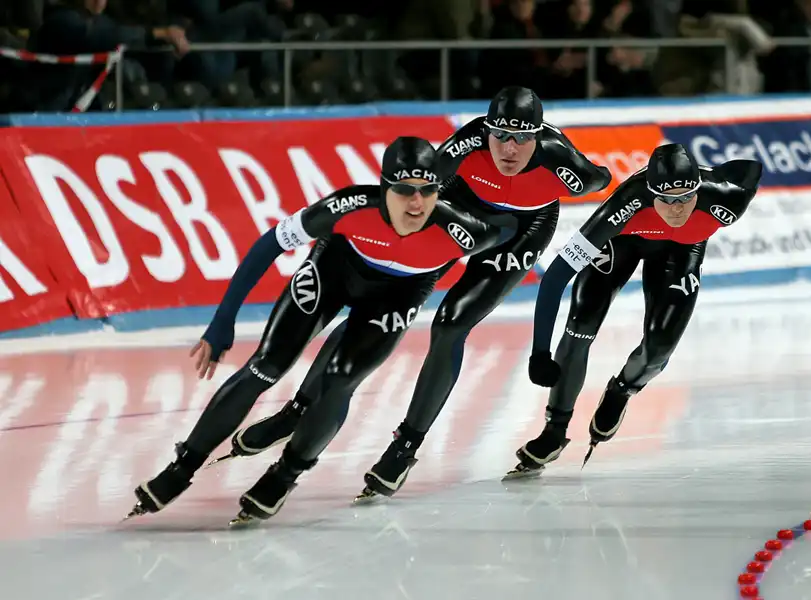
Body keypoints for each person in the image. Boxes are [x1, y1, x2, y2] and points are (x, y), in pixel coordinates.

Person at [208, 85, 614, 502]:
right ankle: (296, 411)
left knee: (452, 324)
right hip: (460, 209)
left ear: (538, 136)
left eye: (523, 138)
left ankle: (406, 446)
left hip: (520, 231)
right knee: (378, 303)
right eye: (501, 136)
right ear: (487, 130)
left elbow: (602, 178)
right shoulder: (467, 143)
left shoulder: (563, 163)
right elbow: (408, 187)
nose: (510, 150)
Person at [124, 137, 516, 524]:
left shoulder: (465, 231)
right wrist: (222, 320)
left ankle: (285, 475)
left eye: (428, 191)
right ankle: (182, 467)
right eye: (404, 191)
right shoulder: (345, 208)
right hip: (333, 272)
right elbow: (267, 246)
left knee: (340, 379)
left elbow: (516, 228)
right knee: (267, 365)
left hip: (398, 294)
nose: (417, 203)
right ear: (383, 188)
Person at [504, 143, 763, 477]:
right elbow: (555, 278)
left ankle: (621, 391)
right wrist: (540, 351)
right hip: (623, 242)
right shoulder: (625, 205)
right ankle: (554, 429)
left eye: (685, 197)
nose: (677, 209)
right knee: (581, 324)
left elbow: (751, 169)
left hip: (682, 249)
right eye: (666, 200)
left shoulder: (728, 196)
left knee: (659, 348)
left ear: (698, 188)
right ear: (650, 194)